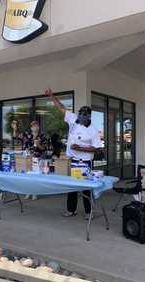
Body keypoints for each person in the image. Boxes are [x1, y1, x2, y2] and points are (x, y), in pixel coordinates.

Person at [45, 88, 102, 219]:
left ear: (88, 117)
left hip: (86, 162)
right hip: (74, 160)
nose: (80, 118)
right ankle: (71, 210)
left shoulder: (93, 131)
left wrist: (80, 148)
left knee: (86, 187)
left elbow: (96, 148)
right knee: (73, 186)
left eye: (83, 116)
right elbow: (61, 108)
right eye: (79, 115)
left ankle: (89, 212)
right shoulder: (73, 119)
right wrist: (52, 95)